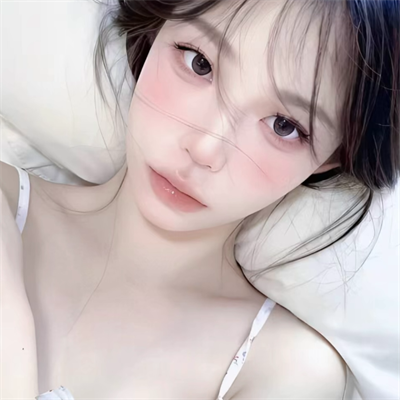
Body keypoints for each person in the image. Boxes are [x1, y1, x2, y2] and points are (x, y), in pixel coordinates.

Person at [1, 0, 398, 398]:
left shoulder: (286, 367)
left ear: (329, 159)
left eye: (283, 126)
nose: (205, 148)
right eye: (199, 63)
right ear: (157, 27)